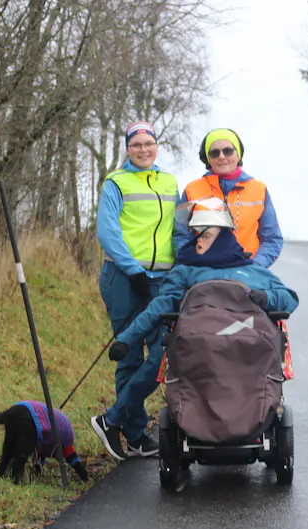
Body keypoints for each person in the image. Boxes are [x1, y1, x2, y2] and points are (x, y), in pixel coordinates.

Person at [108, 198, 298, 361]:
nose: (198, 240)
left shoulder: (253, 271)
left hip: (246, 351)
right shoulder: (185, 272)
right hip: (198, 351)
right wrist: (125, 340)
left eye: (206, 236)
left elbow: (289, 298)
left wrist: (267, 298)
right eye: (197, 235)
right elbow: (158, 306)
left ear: (223, 238)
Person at [90, 120, 178, 461]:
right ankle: (137, 435)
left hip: (161, 281)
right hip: (123, 278)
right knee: (128, 354)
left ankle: (111, 420)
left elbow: (179, 229)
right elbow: (107, 231)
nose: (143, 150)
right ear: (128, 148)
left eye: (148, 143)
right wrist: (134, 270)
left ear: (156, 146)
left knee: (162, 356)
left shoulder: (169, 182)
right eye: (136, 144)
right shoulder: (116, 182)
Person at [174, 128, 284, 269]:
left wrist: (255, 267)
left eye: (228, 151)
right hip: (203, 274)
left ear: (238, 155)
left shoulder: (259, 190)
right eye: (214, 153)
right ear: (208, 158)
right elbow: (180, 236)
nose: (221, 156)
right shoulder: (192, 190)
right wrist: (195, 263)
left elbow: (272, 239)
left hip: (247, 273)